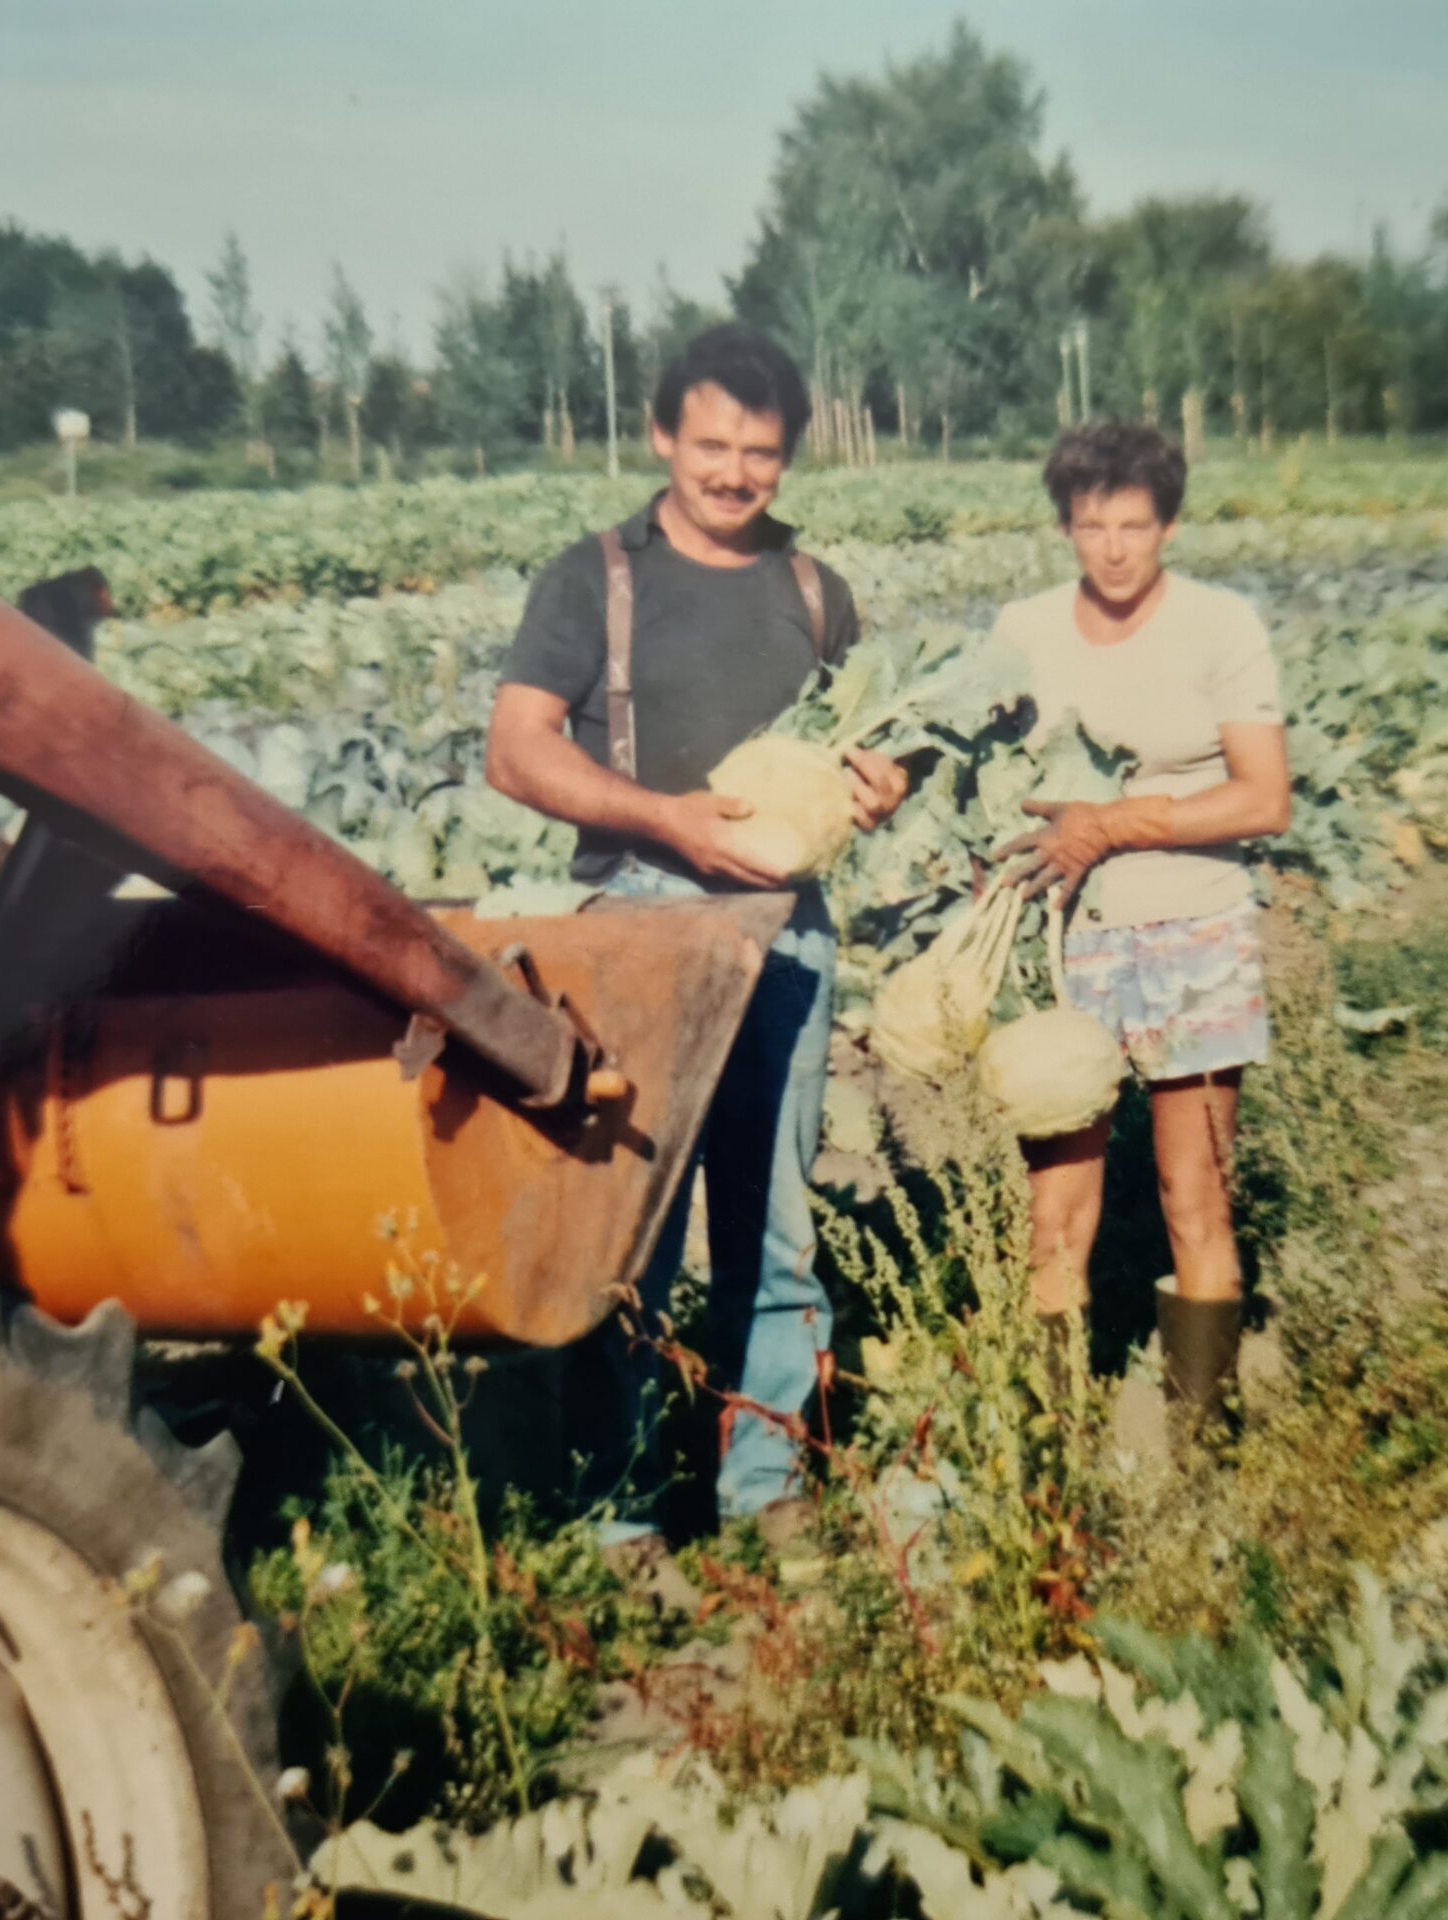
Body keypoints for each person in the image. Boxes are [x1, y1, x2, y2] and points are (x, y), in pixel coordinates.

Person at [485, 324, 909, 1561]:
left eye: (761, 454)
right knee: (633, 1224)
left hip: (785, 939)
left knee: (774, 1221)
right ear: (664, 435)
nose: (734, 474)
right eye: (712, 446)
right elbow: (517, 751)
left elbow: (870, 745)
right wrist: (661, 816)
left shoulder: (814, 590)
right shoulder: (593, 578)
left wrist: (883, 782)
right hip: (637, 932)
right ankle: (621, 1504)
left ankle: (766, 1480)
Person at [995, 420, 1291, 1441]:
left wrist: (1115, 823)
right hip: (1069, 946)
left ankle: (1200, 1449)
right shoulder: (1024, 631)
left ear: (1167, 522)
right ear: (1066, 528)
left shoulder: (1219, 627)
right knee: (1055, 1213)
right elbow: (975, 768)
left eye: (1134, 524)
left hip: (1195, 936)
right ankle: (1052, 1451)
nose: (1114, 547)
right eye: (1090, 526)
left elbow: (1263, 799)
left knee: (1190, 1193)